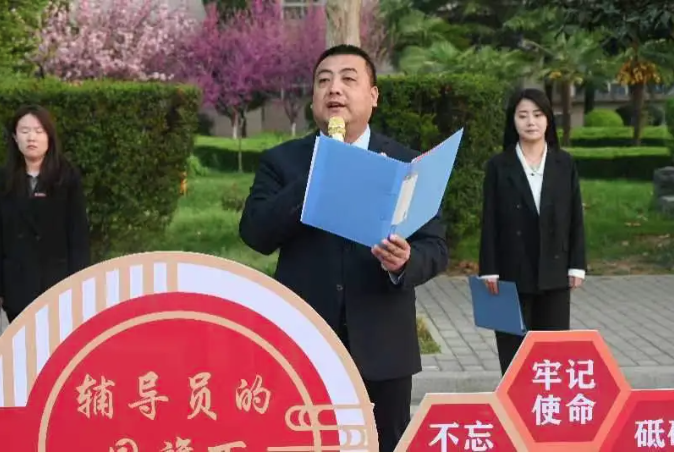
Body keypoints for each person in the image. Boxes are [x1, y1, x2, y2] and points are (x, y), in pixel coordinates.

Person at [239, 44, 448, 451]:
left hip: (383, 348)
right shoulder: (283, 162)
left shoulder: (406, 163)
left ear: (373, 95)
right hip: (305, 344)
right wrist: (319, 172)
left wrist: (404, 261)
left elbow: (436, 248)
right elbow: (255, 233)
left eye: (349, 79)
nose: (334, 88)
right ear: (313, 99)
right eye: (323, 80)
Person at [478, 88, 587, 375]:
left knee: (552, 352)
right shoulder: (498, 166)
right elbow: (489, 220)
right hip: (509, 273)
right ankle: (512, 400)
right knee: (512, 353)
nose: (531, 122)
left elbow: (575, 217)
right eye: (523, 115)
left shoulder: (564, 163)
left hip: (555, 271)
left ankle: (547, 400)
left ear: (548, 119)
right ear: (512, 120)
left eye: (537, 115)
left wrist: (577, 264)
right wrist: (489, 269)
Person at [0, 105, 90, 323]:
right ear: (15, 137)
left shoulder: (66, 177)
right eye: (25, 131)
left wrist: (80, 283)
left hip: (57, 283)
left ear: (49, 137)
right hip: (17, 285)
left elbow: (78, 234)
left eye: (39, 131)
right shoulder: (4, 180)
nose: (31, 137)